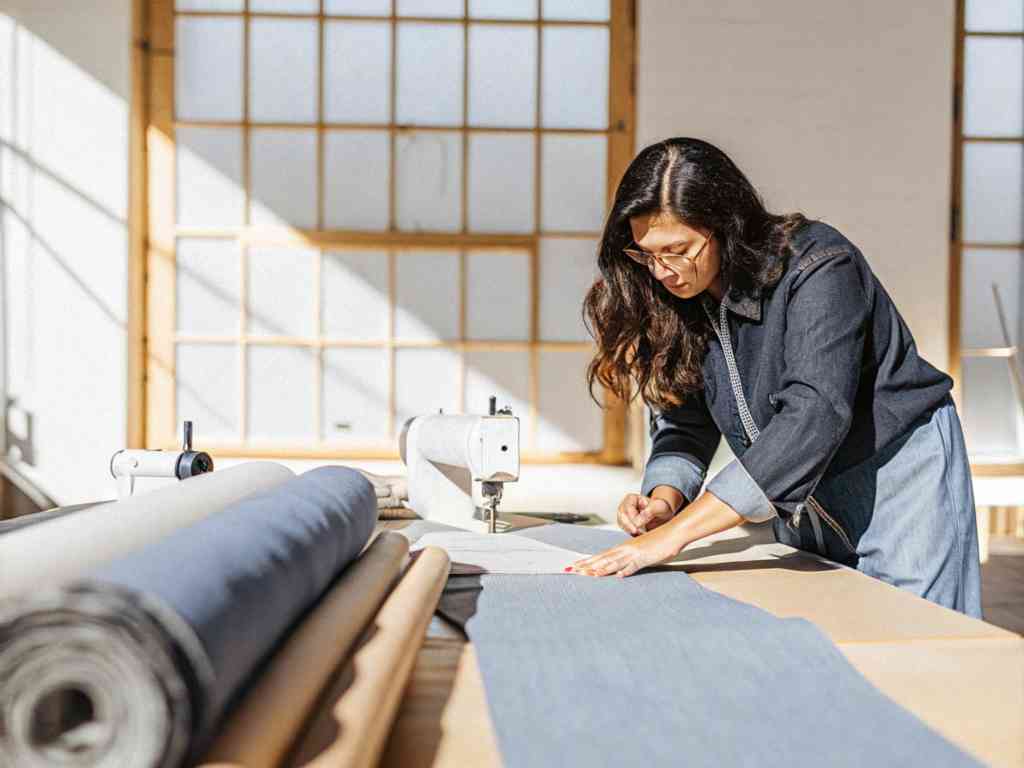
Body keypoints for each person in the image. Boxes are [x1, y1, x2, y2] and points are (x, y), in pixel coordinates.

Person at [569, 137, 981, 617]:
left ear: (723, 225)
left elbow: (815, 412)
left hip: (895, 477)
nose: (661, 271)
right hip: (797, 491)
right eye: (647, 254)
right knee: (828, 640)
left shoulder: (819, 264)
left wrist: (672, 539)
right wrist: (664, 500)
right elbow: (684, 415)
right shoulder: (681, 296)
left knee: (922, 642)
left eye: (677, 250)